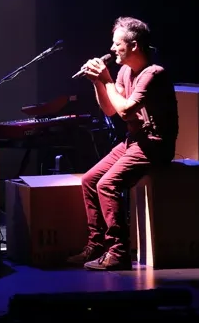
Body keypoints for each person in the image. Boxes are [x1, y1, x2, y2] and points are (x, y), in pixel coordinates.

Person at [68, 16, 179, 270]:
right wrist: (98, 81)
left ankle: (118, 252)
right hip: (134, 141)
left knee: (107, 184)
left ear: (134, 45)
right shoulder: (126, 71)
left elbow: (126, 111)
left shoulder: (153, 74)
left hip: (154, 144)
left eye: (117, 44)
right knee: (89, 180)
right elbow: (110, 110)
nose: (111, 49)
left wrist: (106, 79)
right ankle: (97, 245)